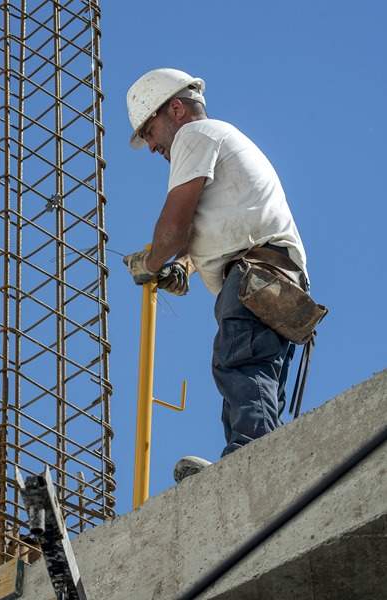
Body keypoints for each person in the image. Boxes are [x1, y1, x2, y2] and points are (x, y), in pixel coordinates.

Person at [121, 68, 309, 482]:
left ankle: (249, 464)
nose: (151, 146)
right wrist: (183, 267)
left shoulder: (195, 136)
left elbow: (173, 227)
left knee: (240, 368)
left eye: (150, 131)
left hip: (254, 276)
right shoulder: (221, 140)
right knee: (249, 381)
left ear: (175, 109)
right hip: (274, 278)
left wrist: (151, 264)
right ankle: (256, 471)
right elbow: (214, 224)